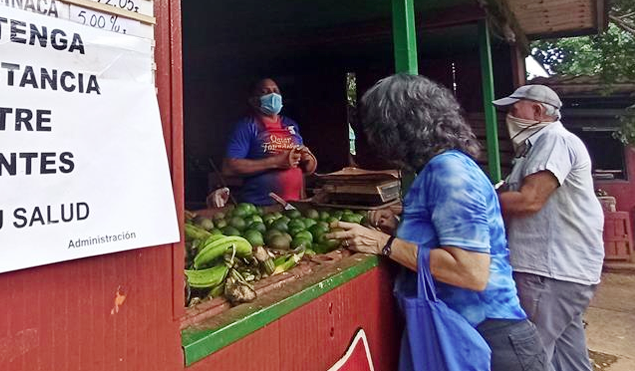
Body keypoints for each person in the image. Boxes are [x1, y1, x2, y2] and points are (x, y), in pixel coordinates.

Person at [328, 74, 545, 371]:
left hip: (488, 344)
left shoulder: (449, 171)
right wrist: (403, 226)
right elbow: (446, 238)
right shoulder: (438, 169)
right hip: (466, 337)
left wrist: (384, 244)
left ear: (397, 128)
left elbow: (470, 271)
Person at [493, 85, 604, 371]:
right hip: (565, 273)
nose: (509, 116)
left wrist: (477, 200)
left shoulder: (553, 140)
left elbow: (529, 201)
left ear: (538, 111)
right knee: (569, 360)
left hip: (549, 272)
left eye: (514, 110)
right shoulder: (535, 149)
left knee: (524, 357)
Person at [220, 78, 317, 206]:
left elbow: (307, 167)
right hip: (259, 209)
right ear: (253, 101)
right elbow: (229, 168)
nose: (273, 95)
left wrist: (308, 160)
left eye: (276, 91)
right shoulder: (247, 126)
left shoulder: (290, 124)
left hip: (295, 207)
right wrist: (276, 162)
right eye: (265, 92)